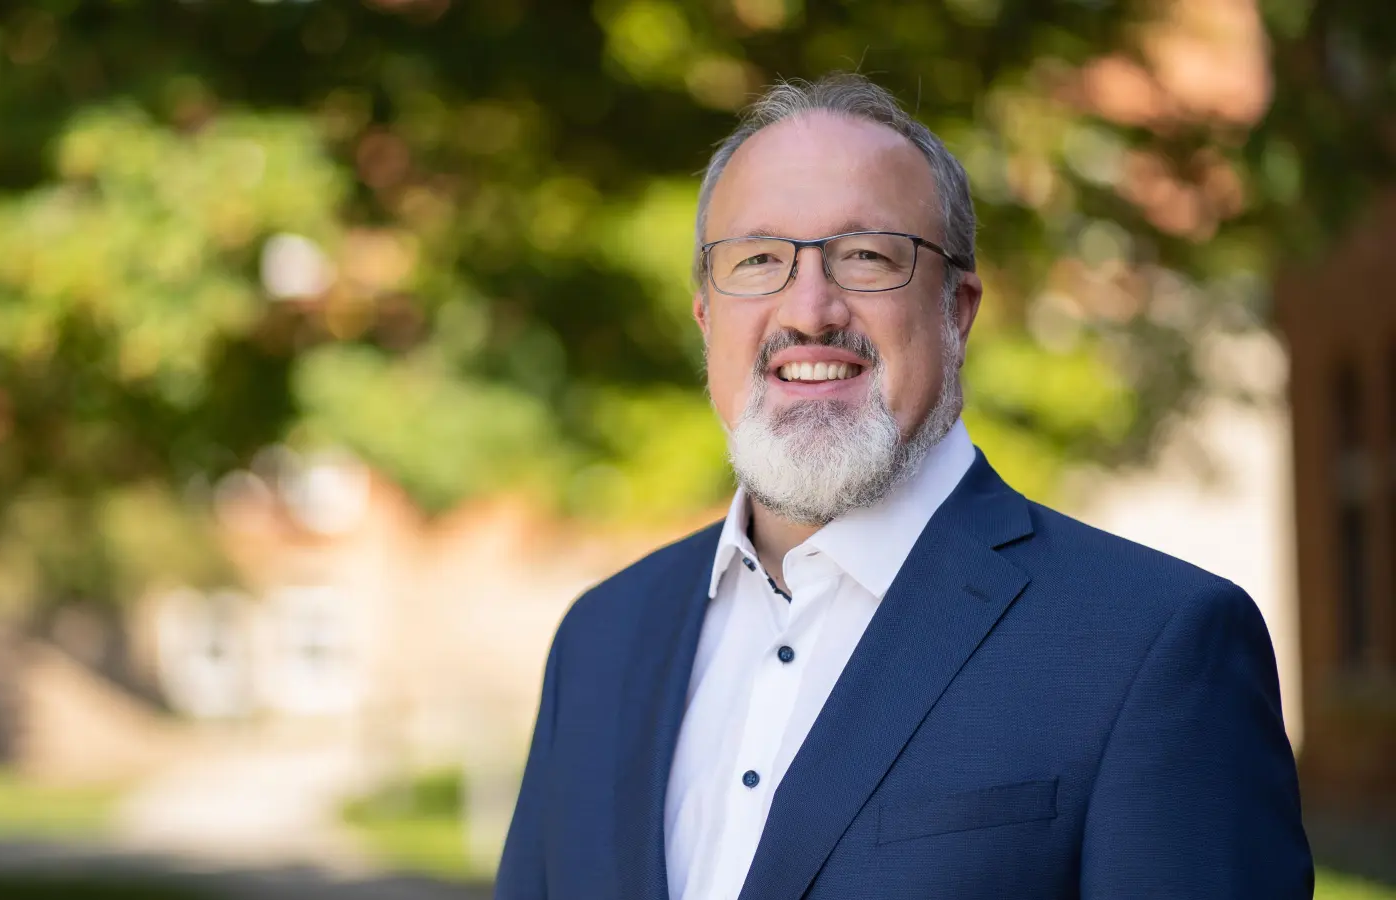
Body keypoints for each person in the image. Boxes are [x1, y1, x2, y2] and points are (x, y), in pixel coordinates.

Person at [494, 73, 1312, 900]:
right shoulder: (598, 642)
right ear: (706, 317)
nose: (809, 310)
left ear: (957, 309)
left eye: (866, 257)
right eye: (759, 260)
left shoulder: (1153, 645)